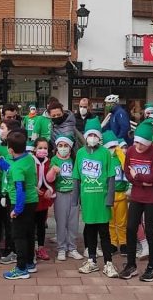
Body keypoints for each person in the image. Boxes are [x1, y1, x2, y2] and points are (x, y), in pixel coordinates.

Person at [73, 119, 117, 277]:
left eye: (95, 135)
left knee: (104, 233)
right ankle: (91, 260)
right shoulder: (80, 153)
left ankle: (108, 263)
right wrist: (75, 199)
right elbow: (76, 177)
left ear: (99, 137)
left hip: (102, 201)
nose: (92, 137)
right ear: (85, 136)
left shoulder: (105, 153)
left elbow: (111, 177)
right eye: (89, 134)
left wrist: (110, 199)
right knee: (89, 231)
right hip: (87, 201)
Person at [121, 121, 153, 281]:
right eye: (136, 142)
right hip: (137, 194)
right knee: (131, 228)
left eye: (142, 144)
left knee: (150, 230)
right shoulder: (131, 150)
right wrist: (141, 181)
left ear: (149, 143)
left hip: (152, 197)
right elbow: (127, 172)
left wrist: (138, 176)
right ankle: (131, 265)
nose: (138, 146)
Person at [2, 130, 39, 280]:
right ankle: (30, 263)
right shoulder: (28, 159)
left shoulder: (18, 168)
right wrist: (0, 162)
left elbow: (20, 188)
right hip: (32, 202)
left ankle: (21, 268)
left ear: (10, 150)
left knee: (19, 236)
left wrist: (17, 209)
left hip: (21, 203)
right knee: (29, 234)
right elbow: (9, 169)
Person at [47, 135, 82, 261]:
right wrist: (53, 171)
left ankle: (72, 248)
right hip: (61, 194)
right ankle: (61, 248)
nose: (63, 148)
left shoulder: (74, 160)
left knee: (73, 223)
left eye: (65, 146)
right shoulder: (54, 160)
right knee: (61, 222)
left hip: (73, 194)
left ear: (70, 147)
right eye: (60, 146)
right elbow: (49, 179)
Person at [0, 119, 19, 264]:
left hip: (13, 194)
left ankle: (14, 250)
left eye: (2, 128)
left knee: (12, 224)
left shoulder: (17, 151)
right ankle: (4, 248)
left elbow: (13, 170)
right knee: (1, 223)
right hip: (2, 192)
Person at [105, 133, 129, 256]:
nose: (113, 149)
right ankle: (113, 243)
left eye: (115, 146)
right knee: (111, 222)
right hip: (109, 196)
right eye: (110, 147)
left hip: (121, 195)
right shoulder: (105, 159)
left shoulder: (121, 158)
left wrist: (120, 153)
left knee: (122, 221)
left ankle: (123, 242)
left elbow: (127, 168)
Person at [32, 138, 54, 261]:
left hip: (44, 198)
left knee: (41, 224)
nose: (42, 150)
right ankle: (32, 247)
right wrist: (33, 188)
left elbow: (52, 179)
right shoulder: (30, 161)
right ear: (35, 149)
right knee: (31, 224)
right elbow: (28, 177)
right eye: (40, 148)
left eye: (45, 148)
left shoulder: (48, 162)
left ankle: (40, 247)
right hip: (33, 197)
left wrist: (50, 190)